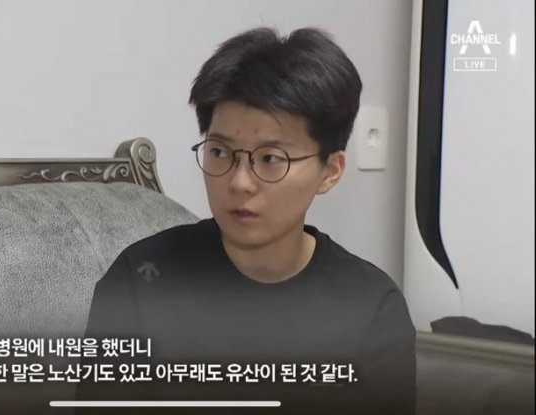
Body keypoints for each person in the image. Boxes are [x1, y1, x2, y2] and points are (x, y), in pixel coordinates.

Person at [75, 26, 416, 415]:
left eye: (270, 158)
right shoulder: (139, 281)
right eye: (220, 152)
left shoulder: (370, 307)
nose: (239, 182)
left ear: (330, 171)